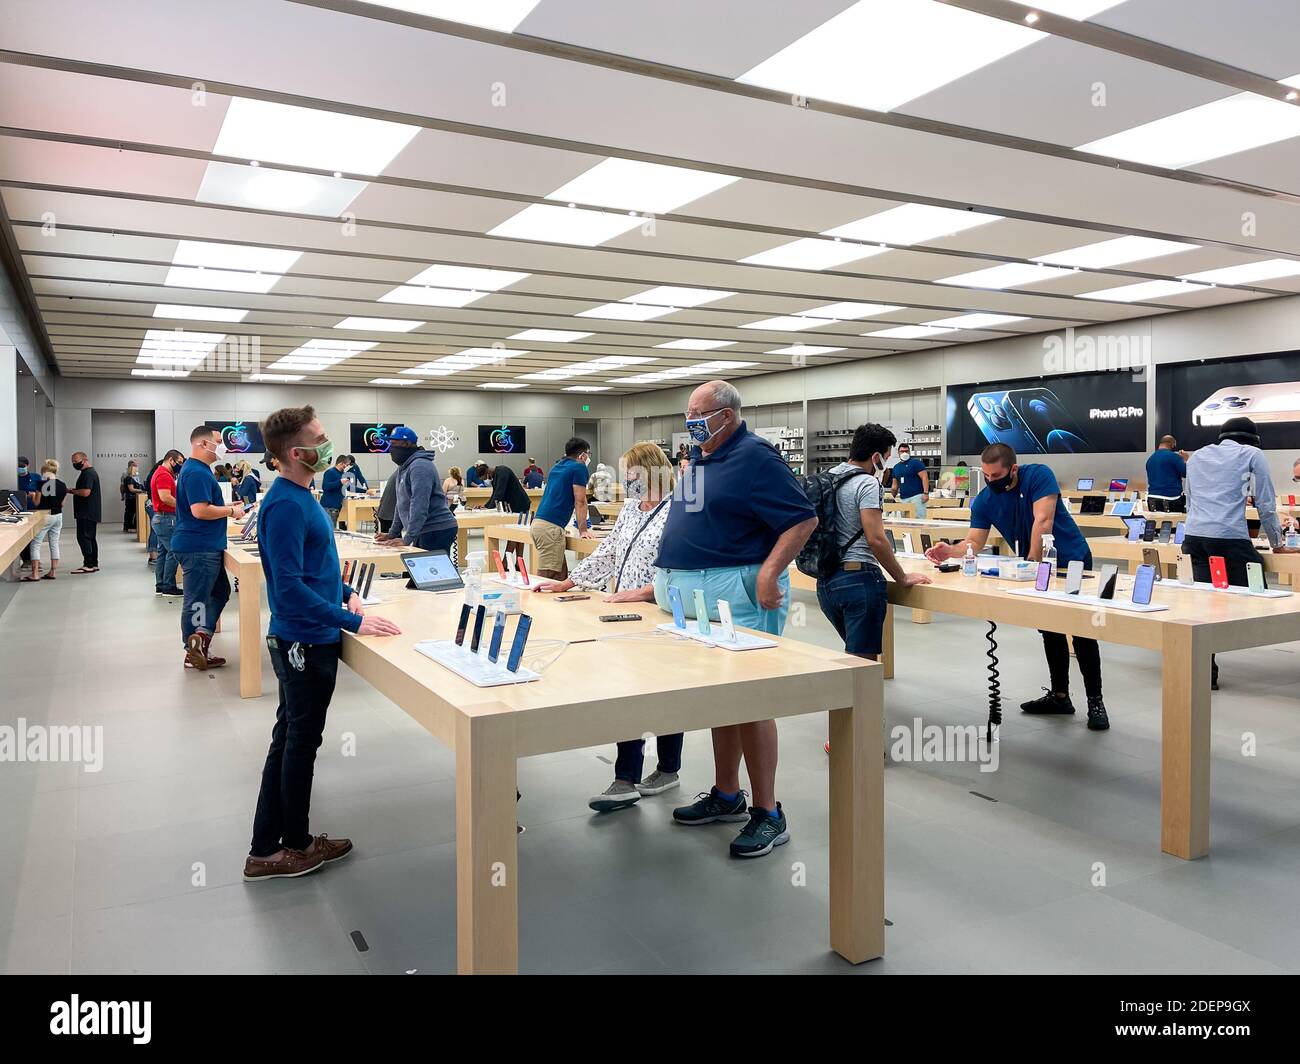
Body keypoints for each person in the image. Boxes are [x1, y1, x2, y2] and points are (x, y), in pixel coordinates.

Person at [243, 405, 402, 882]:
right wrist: (348, 621)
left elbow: (316, 570)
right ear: (297, 452)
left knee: (290, 738)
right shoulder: (288, 504)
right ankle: (289, 846)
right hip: (303, 643)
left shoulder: (300, 496)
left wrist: (348, 594)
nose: (329, 444)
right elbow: (288, 587)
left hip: (311, 635)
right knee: (298, 744)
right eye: (320, 437)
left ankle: (270, 846)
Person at [659, 381, 818, 858]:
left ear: (726, 416)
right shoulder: (701, 458)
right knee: (719, 700)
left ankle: (769, 812)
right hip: (693, 593)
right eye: (688, 415)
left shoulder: (756, 457)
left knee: (750, 700)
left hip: (736, 591)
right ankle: (727, 793)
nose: (692, 423)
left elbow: (801, 518)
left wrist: (771, 572)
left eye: (700, 415)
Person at [537, 442, 681, 812]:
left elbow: (683, 566)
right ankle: (625, 778)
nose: (626, 480)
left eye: (630, 473)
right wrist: (569, 582)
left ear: (650, 471)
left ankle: (667, 769)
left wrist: (645, 592)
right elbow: (610, 550)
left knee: (666, 691)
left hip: (660, 612)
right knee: (628, 690)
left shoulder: (681, 509)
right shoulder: (632, 508)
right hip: (625, 613)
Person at [925, 442, 1110, 730]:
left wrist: (1033, 565)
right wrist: (950, 550)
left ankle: (1096, 702)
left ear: (1013, 469)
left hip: (1070, 560)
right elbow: (975, 542)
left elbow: (1044, 521)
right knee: (1050, 627)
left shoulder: (1038, 475)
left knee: (1082, 630)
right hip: (1035, 567)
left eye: (996, 476)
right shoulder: (986, 499)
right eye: (986, 476)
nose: (990, 481)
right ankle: (1060, 697)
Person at [1185, 417, 1297, 690]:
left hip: (1195, 538)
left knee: (1204, 603)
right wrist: (1277, 542)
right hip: (1229, 539)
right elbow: (1266, 502)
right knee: (1260, 591)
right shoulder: (1252, 454)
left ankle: (1204, 672)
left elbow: (1190, 499)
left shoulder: (1197, 456)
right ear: (1254, 439)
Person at [817, 422, 932, 673]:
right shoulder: (867, 484)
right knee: (862, 666)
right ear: (876, 457)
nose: (886, 465)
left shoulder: (829, 476)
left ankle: (852, 710)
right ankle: (859, 712)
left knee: (854, 654)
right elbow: (876, 539)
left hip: (827, 581)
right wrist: (901, 577)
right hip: (858, 579)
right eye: (887, 458)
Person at [172, 425, 245, 669]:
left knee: (219, 593)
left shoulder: (198, 471)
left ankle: (200, 638)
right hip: (198, 548)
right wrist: (231, 511)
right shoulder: (197, 473)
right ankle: (191, 649)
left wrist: (224, 505)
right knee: (197, 600)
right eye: (218, 440)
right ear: (202, 444)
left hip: (204, 545)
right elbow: (200, 510)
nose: (222, 445)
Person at [376, 426, 457, 552]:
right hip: (423, 529)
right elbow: (401, 504)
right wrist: (392, 533)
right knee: (414, 570)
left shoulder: (420, 466)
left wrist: (407, 539)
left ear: (407, 443)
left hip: (436, 529)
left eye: (394, 444)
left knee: (430, 570)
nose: (391, 449)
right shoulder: (403, 468)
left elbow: (419, 504)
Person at [532, 437, 595, 579]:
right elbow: (580, 501)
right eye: (588, 455)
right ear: (583, 455)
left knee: (560, 576)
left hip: (539, 525)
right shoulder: (579, 467)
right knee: (547, 576)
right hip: (550, 529)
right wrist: (583, 530)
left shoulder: (558, 466)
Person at [21, 459, 67, 582]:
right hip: (58, 516)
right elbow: (62, 503)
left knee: (35, 544)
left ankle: (35, 574)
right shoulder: (63, 485)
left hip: (44, 516)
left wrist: (33, 496)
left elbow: (37, 503)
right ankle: (52, 571)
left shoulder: (42, 485)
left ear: (45, 471)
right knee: (54, 543)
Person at [150, 449, 184, 598]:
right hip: (167, 518)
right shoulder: (164, 475)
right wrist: (184, 506)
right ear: (171, 460)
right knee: (174, 551)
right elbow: (165, 497)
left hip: (162, 518)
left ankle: (161, 584)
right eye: (180, 462)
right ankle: (169, 586)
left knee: (163, 552)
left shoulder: (161, 473)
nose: (180, 466)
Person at [69, 451, 101, 574]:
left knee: (84, 537)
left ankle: (88, 564)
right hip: (89, 511)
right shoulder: (88, 473)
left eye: (76, 461)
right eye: (73, 462)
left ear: (85, 459)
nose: (74, 464)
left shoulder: (88, 474)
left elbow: (86, 492)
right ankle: (93, 563)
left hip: (86, 512)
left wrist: (71, 491)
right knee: (91, 537)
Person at [1146, 435, 1188, 512]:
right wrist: (1185, 460)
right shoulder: (1174, 457)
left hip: (1152, 499)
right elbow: (1186, 473)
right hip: (1171, 499)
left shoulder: (1150, 459)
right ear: (1172, 444)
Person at [885, 441, 929, 517]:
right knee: (905, 520)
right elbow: (894, 486)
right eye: (902, 451)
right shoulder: (896, 467)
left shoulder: (916, 463)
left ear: (909, 452)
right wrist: (891, 498)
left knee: (918, 520)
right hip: (903, 499)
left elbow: (924, 477)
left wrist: (926, 493)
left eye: (906, 451)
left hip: (917, 497)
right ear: (898, 453)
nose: (904, 453)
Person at [14, 456, 41, 573]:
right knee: (22, 537)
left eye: (22, 466)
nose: (21, 469)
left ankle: (36, 561)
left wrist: (34, 494)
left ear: (27, 466)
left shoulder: (35, 477)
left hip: (34, 509)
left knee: (34, 537)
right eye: (18, 467)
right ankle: (26, 560)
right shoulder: (13, 478)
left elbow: (42, 491)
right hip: (19, 510)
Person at [320, 454, 348, 527]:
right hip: (329, 507)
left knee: (333, 529)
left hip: (337, 507)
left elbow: (349, 487)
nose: (346, 467)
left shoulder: (343, 474)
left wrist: (365, 491)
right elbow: (325, 487)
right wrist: (340, 482)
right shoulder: (330, 472)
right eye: (346, 465)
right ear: (341, 463)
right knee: (331, 530)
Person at [120, 460, 144, 533]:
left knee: (131, 513)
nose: (137, 468)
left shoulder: (135, 476)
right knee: (130, 513)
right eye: (135, 466)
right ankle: (129, 527)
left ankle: (131, 527)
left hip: (134, 497)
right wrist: (142, 491)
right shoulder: (128, 477)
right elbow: (130, 488)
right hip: (131, 498)